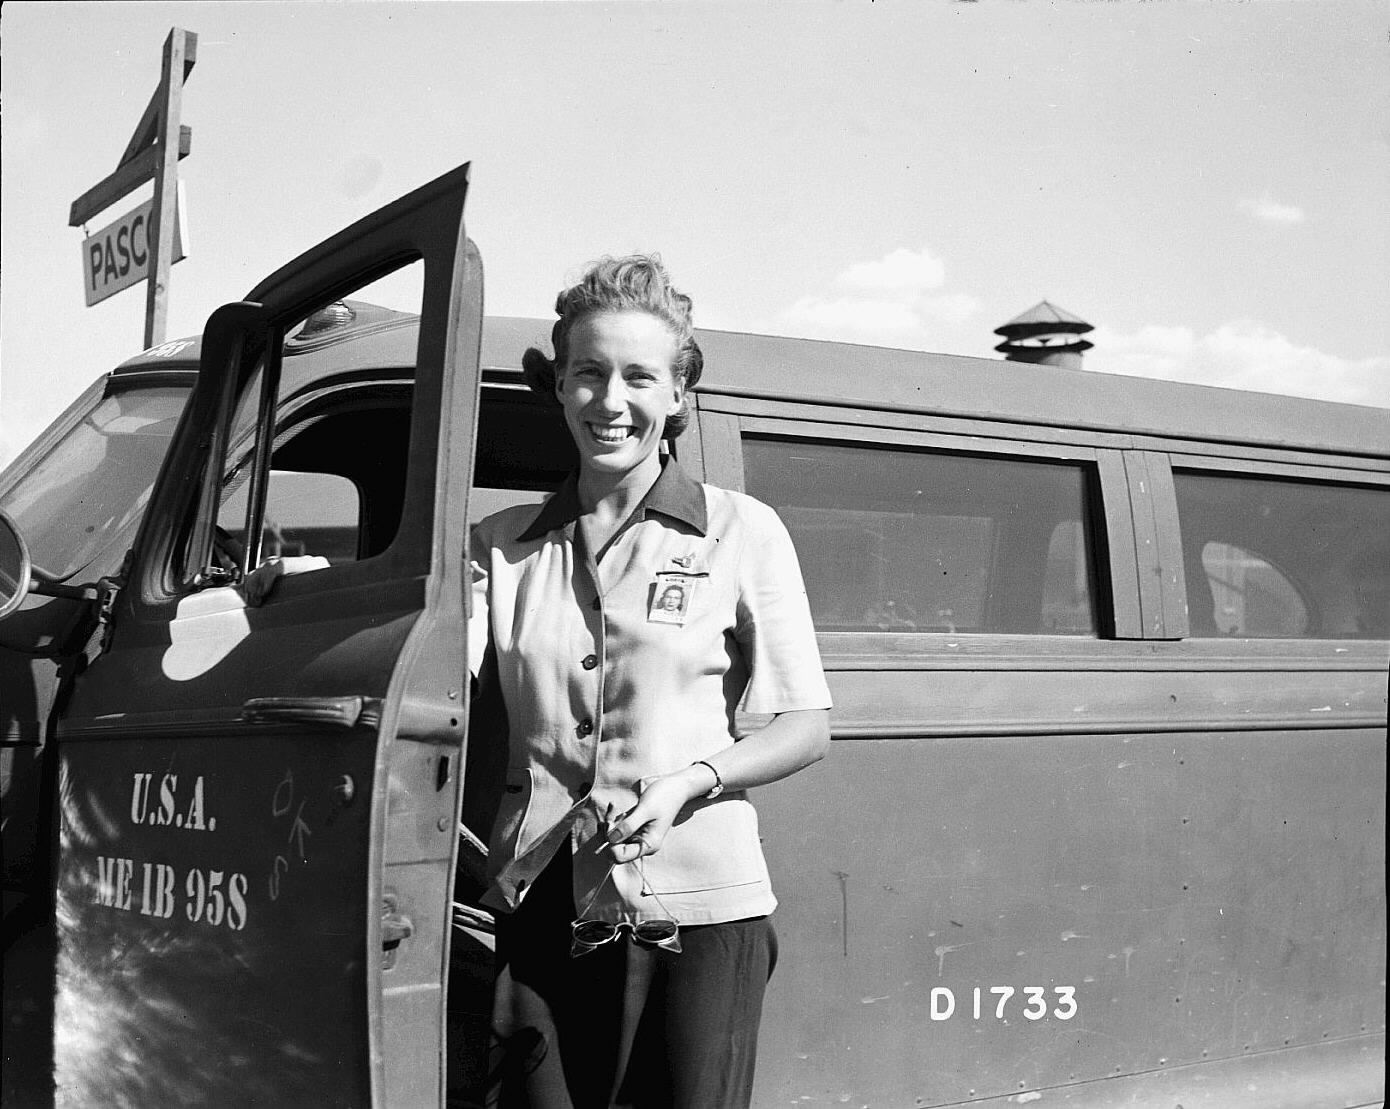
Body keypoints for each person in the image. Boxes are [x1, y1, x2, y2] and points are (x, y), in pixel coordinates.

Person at [472, 255, 831, 1108]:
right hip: (541, 909)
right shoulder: (499, 544)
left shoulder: (742, 530)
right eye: (588, 374)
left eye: (639, 376)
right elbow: (426, 676)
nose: (611, 400)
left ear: (677, 392)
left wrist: (692, 780)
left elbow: (805, 723)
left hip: (696, 914)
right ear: (558, 387)